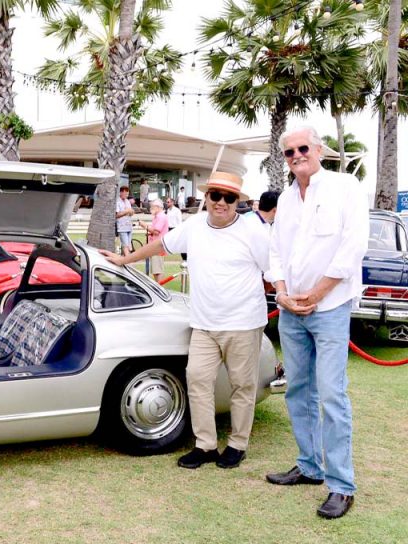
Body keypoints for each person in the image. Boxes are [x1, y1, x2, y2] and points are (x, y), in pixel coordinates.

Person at [103, 171, 269, 470]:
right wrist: (124, 260)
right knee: (197, 379)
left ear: (237, 202)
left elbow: (273, 269)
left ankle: (237, 444)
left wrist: (291, 295)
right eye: (215, 195)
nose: (221, 202)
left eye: (229, 197)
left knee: (242, 386)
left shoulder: (253, 230)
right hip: (204, 323)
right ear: (207, 197)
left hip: (243, 323)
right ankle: (205, 445)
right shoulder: (194, 226)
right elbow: (161, 245)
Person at [264, 126, 369, 520]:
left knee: (331, 395)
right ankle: (309, 466)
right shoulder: (286, 198)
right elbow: (277, 251)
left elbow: (352, 247)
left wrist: (318, 294)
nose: (296, 156)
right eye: (289, 152)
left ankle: (341, 486)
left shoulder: (345, 187)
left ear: (319, 149)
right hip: (291, 309)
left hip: (330, 308)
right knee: (298, 391)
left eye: (302, 148)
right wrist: (282, 292)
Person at [138, 199, 169, 282]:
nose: (150, 208)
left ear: (158, 207)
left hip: (158, 246)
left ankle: (159, 287)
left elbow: (156, 231)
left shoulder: (161, 217)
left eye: (152, 207)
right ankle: (158, 286)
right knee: (156, 269)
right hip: (155, 245)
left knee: (158, 269)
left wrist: (145, 226)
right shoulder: (157, 217)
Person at [115, 186, 134, 256]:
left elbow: (131, 212)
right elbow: (116, 215)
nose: (126, 195)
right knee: (125, 245)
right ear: (121, 193)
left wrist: (131, 212)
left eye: (127, 194)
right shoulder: (117, 202)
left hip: (129, 226)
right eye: (125, 193)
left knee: (129, 246)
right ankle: (128, 259)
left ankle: (125, 258)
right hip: (122, 227)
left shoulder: (127, 201)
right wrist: (126, 211)